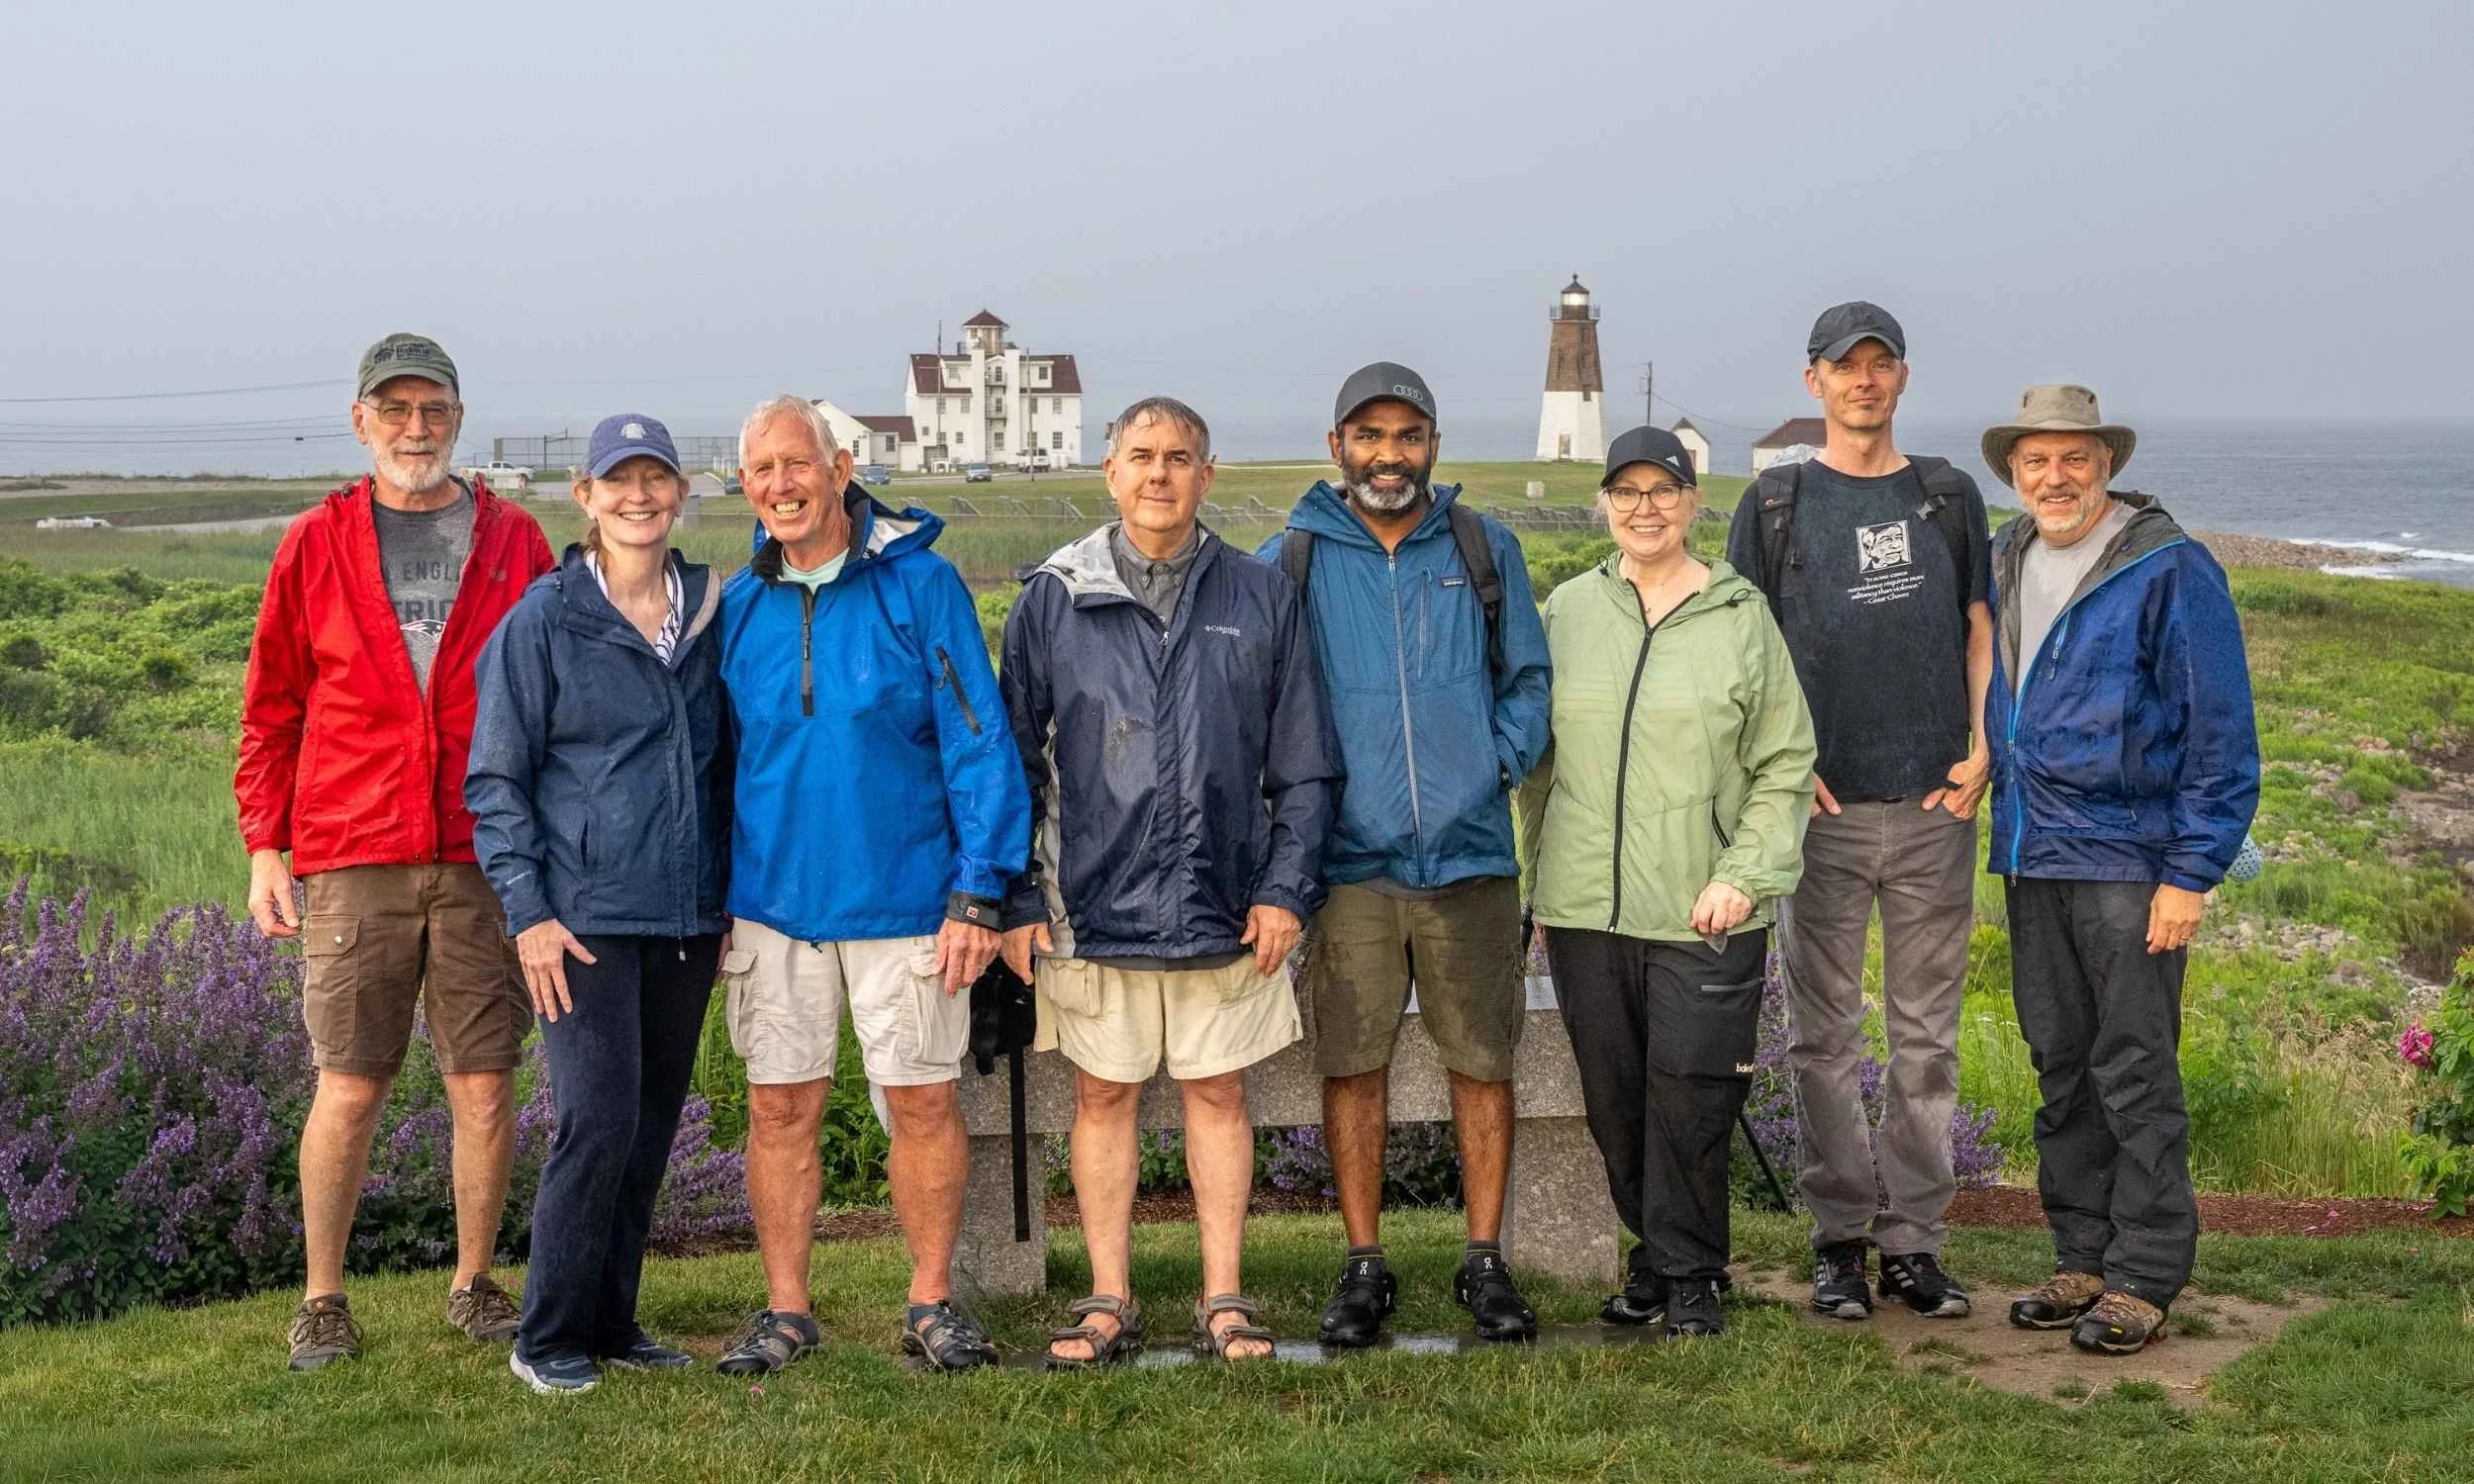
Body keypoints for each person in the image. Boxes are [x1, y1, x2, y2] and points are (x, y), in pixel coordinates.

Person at [237, 333, 554, 1371]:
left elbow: (558, 700)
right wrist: (266, 844)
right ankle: (323, 1297)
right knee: (351, 1082)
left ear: (457, 420)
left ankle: (473, 1283)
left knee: (484, 1080)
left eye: (435, 411)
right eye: (396, 409)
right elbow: (272, 705)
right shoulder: (314, 543)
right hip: (352, 848)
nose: (416, 428)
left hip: (482, 849)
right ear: (361, 419)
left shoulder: (516, 542)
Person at [999, 397, 1339, 1364]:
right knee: (1101, 1099)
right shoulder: (1051, 597)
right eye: (1141, 456)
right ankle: (1108, 1298)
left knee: (1217, 1095)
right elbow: (1011, 762)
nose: (1159, 473)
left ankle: (1223, 1297)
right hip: (1088, 909)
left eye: (1179, 457)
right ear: (1109, 473)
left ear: (1207, 475)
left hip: (1223, 904)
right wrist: (1018, 899)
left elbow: (1304, 764)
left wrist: (1284, 888)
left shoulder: (1260, 596)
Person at [712, 396, 1028, 1375]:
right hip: (771, 907)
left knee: (924, 1105)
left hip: (907, 903)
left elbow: (979, 741)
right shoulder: (734, 607)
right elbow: (710, 764)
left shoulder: (920, 587)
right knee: (778, 1109)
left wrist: (979, 893)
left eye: (795, 464)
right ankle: (786, 1310)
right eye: (759, 470)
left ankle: (932, 1300)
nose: (779, 485)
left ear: (840, 467)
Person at [1258, 363, 1552, 1345]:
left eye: (1408, 435)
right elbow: (1259, 703)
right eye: (1369, 435)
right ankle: (1361, 1266)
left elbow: (1530, 682)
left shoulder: (1481, 547)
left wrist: (1491, 767)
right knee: (1352, 1065)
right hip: (1346, 869)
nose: (1389, 454)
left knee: (1483, 1061)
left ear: (1433, 442)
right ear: (1336, 442)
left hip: (1470, 859)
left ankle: (1483, 1262)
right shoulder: (1289, 558)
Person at [1724, 302, 1993, 1322]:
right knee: (1822, 1041)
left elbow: (1978, 626)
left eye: (1880, 365)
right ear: (1814, 384)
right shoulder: (1777, 501)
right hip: (1819, 817)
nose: (1863, 382)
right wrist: (1782, 773)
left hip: (1934, 806)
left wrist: (1982, 745)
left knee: (1926, 1042)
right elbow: (1746, 652)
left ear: (1902, 379)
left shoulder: (1947, 494)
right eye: (1845, 367)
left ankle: (1914, 1245)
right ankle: (1839, 1239)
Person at [1981, 385, 2258, 1354]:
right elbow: (1999, 690)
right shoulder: (2006, 556)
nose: (2052, 478)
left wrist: (2192, 874)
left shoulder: (2169, 569)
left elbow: (2221, 735)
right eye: (2034, 463)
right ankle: (2081, 1256)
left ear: (2105, 466)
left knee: (2134, 1070)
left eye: (2073, 460)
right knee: (2061, 1067)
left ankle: (2143, 1275)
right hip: (2029, 853)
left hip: (2129, 863)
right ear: (2013, 472)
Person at [1522, 426, 1816, 1340]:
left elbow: (1785, 761)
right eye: (1626, 491)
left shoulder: (1741, 616)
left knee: (1691, 1093)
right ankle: (1656, 1257)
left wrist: (1743, 875)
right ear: (1607, 503)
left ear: (1694, 503)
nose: (1644, 506)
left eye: (1663, 490)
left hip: (1704, 908)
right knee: (1615, 1099)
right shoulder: (1566, 610)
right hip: (1582, 908)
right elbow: (1533, 762)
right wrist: (1520, 883)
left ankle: (1693, 1274)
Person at [465, 415, 729, 1395]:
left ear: (680, 493)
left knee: (652, 1120)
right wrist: (529, 916)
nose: (639, 496)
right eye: (619, 481)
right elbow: (495, 781)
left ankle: (614, 1323)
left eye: (656, 478)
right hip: (578, 920)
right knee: (595, 1121)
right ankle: (546, 1337)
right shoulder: (543, 621)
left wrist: (727, 891)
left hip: (686, 915)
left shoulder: (708, 610)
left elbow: (723, 762)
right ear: (585, 496)